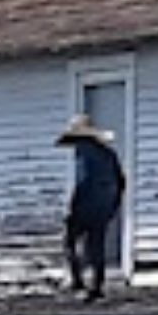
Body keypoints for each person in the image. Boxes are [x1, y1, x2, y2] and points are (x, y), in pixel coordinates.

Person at [55, 113, 125, 300]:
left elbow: (84, 179)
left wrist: (74, 205)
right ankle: (97, 285)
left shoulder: (84, 151)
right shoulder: (109, 154)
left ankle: (78, 281)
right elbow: (121, 181)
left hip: (87, 202)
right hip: (105, 205)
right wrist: (113, 204)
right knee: (96, 243)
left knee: (70, 240)